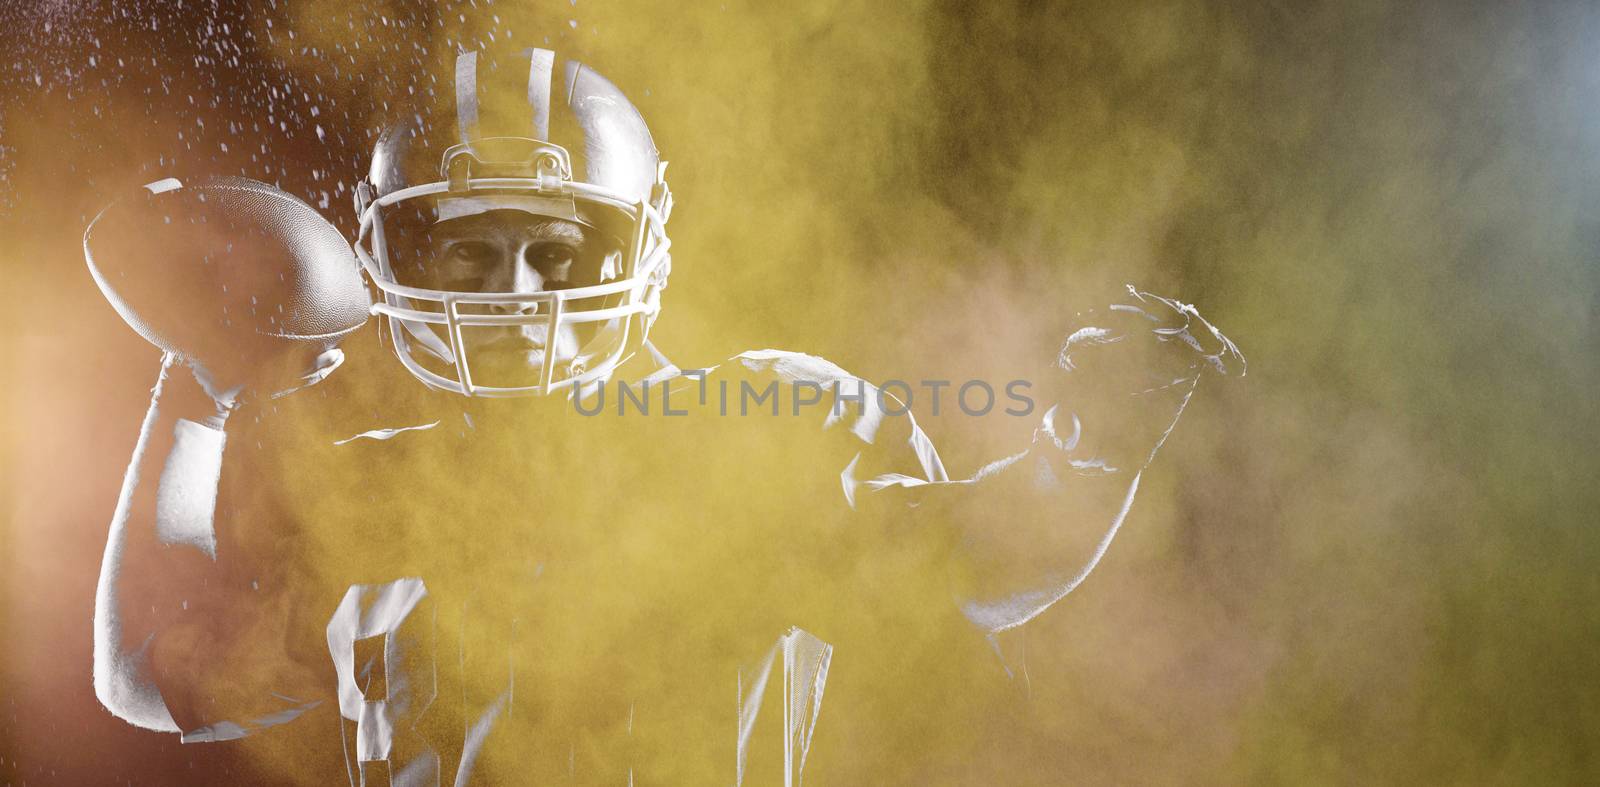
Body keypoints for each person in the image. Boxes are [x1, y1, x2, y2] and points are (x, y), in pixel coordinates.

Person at [90, 47, 1244, 785]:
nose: (519, 293)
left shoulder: (757, 424)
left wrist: (1090, 439)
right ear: (394, 246)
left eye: (557, 247)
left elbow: (977, 560)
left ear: (638, 248)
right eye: (471, 248)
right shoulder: (365, 476)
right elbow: (152, 667)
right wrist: (202, 380)